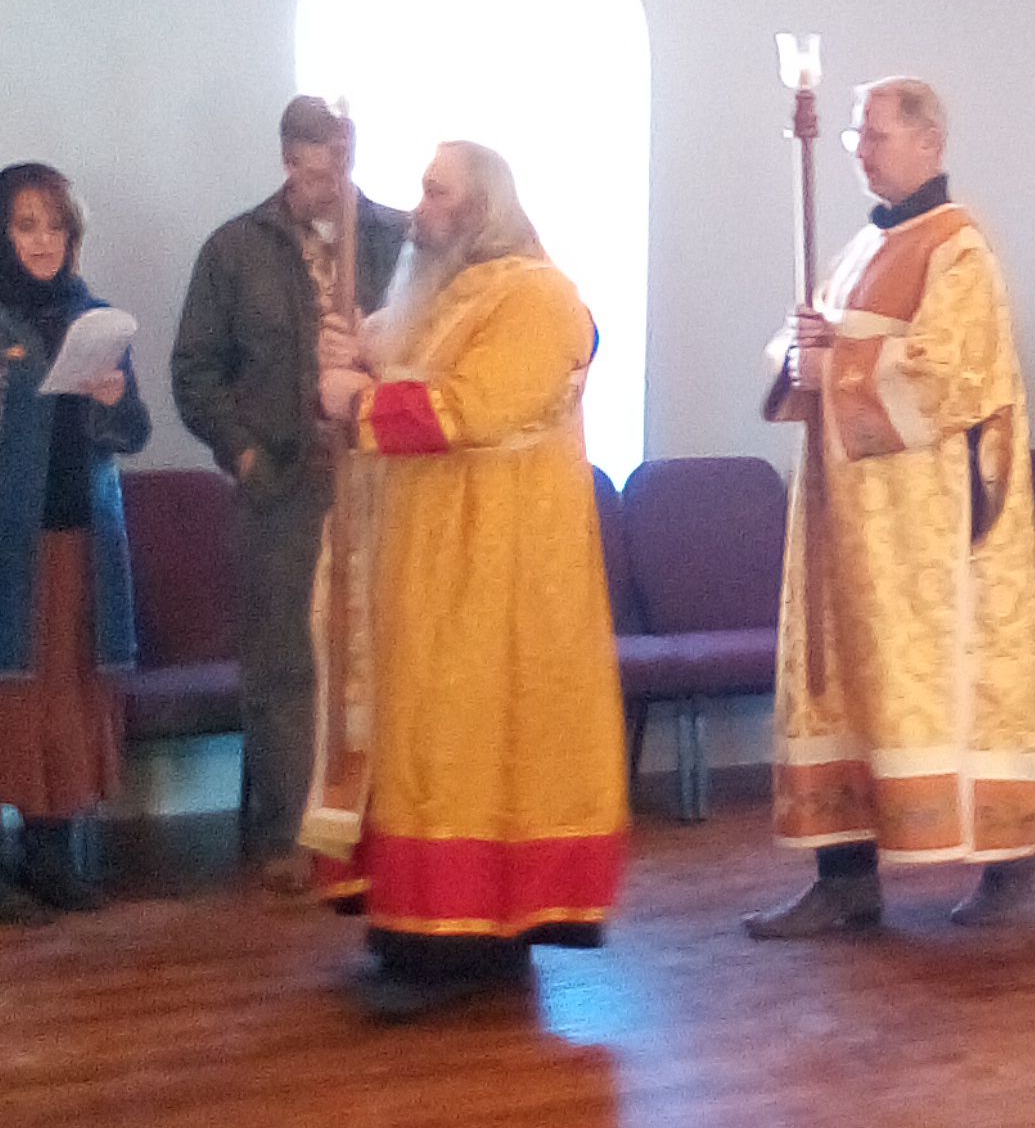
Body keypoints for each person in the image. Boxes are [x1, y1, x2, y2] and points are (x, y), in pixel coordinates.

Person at [313, 141, 629, 1017]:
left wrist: (358, 398)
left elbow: (477, 407)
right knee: (420, 745)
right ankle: (413, 931)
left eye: (436, 192)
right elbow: (381, 371)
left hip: (499, 571)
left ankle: (465, 945)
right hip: (425, 564)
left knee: (468, 750)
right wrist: (346, 361)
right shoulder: (439, 296)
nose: (417, 209)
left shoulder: (537, 296)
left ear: (482, 207)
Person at [747, 77, 1035, 938]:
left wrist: (837, 370)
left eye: (874, 134)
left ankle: (1012, 860)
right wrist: (800, 355)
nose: (860, 151)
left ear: (929, 143)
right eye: (853, 135)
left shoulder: (958, 248)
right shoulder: (861, 245)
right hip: (847, 518)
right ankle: (844, 878)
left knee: (952, 683)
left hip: (924, 526)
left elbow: (955, 374)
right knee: (842, 685)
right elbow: (811, 343)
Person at [171, 98, 407, 893]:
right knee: (284, 664)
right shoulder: (236, 250)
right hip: (282, 485)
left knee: (384, 655)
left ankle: (386, 833)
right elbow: (195, 372)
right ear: (286, 162)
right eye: (311, 175)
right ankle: (291, 838)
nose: (326, 188)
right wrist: (243, 456)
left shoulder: (398, 240)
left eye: (337, 170)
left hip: (385, 483)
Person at [0, 163, 150, 921]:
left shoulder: (96, 319)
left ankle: (49, 858)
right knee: (8, 694)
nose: (43, 241)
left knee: (58, 696)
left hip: (75, 543)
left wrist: (115, 400)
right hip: (7, 546)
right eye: (26, 225)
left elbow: (134, 434)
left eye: (56, 226)